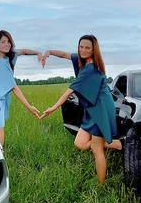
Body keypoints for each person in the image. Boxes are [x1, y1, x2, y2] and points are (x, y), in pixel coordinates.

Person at [39, 34, 122, 183]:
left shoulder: (90, 69)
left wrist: (52, 108)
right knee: (80, 143)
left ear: (93, 50)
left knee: (97, 150)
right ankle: (114, 143)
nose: (83, 50)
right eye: (81, 46)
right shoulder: (80, 59)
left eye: (87, 48)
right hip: (92, 105)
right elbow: (65, 54)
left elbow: (69, 90)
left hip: (100, 107)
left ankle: (100, 186)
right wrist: (49, 52)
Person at [0, 30, 43, 146]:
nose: (7, 44)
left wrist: (37, 53)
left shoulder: (8, 56)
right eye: (3, 42)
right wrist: (29, 106)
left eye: (8, 41)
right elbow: (14, 87)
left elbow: (23, 51)